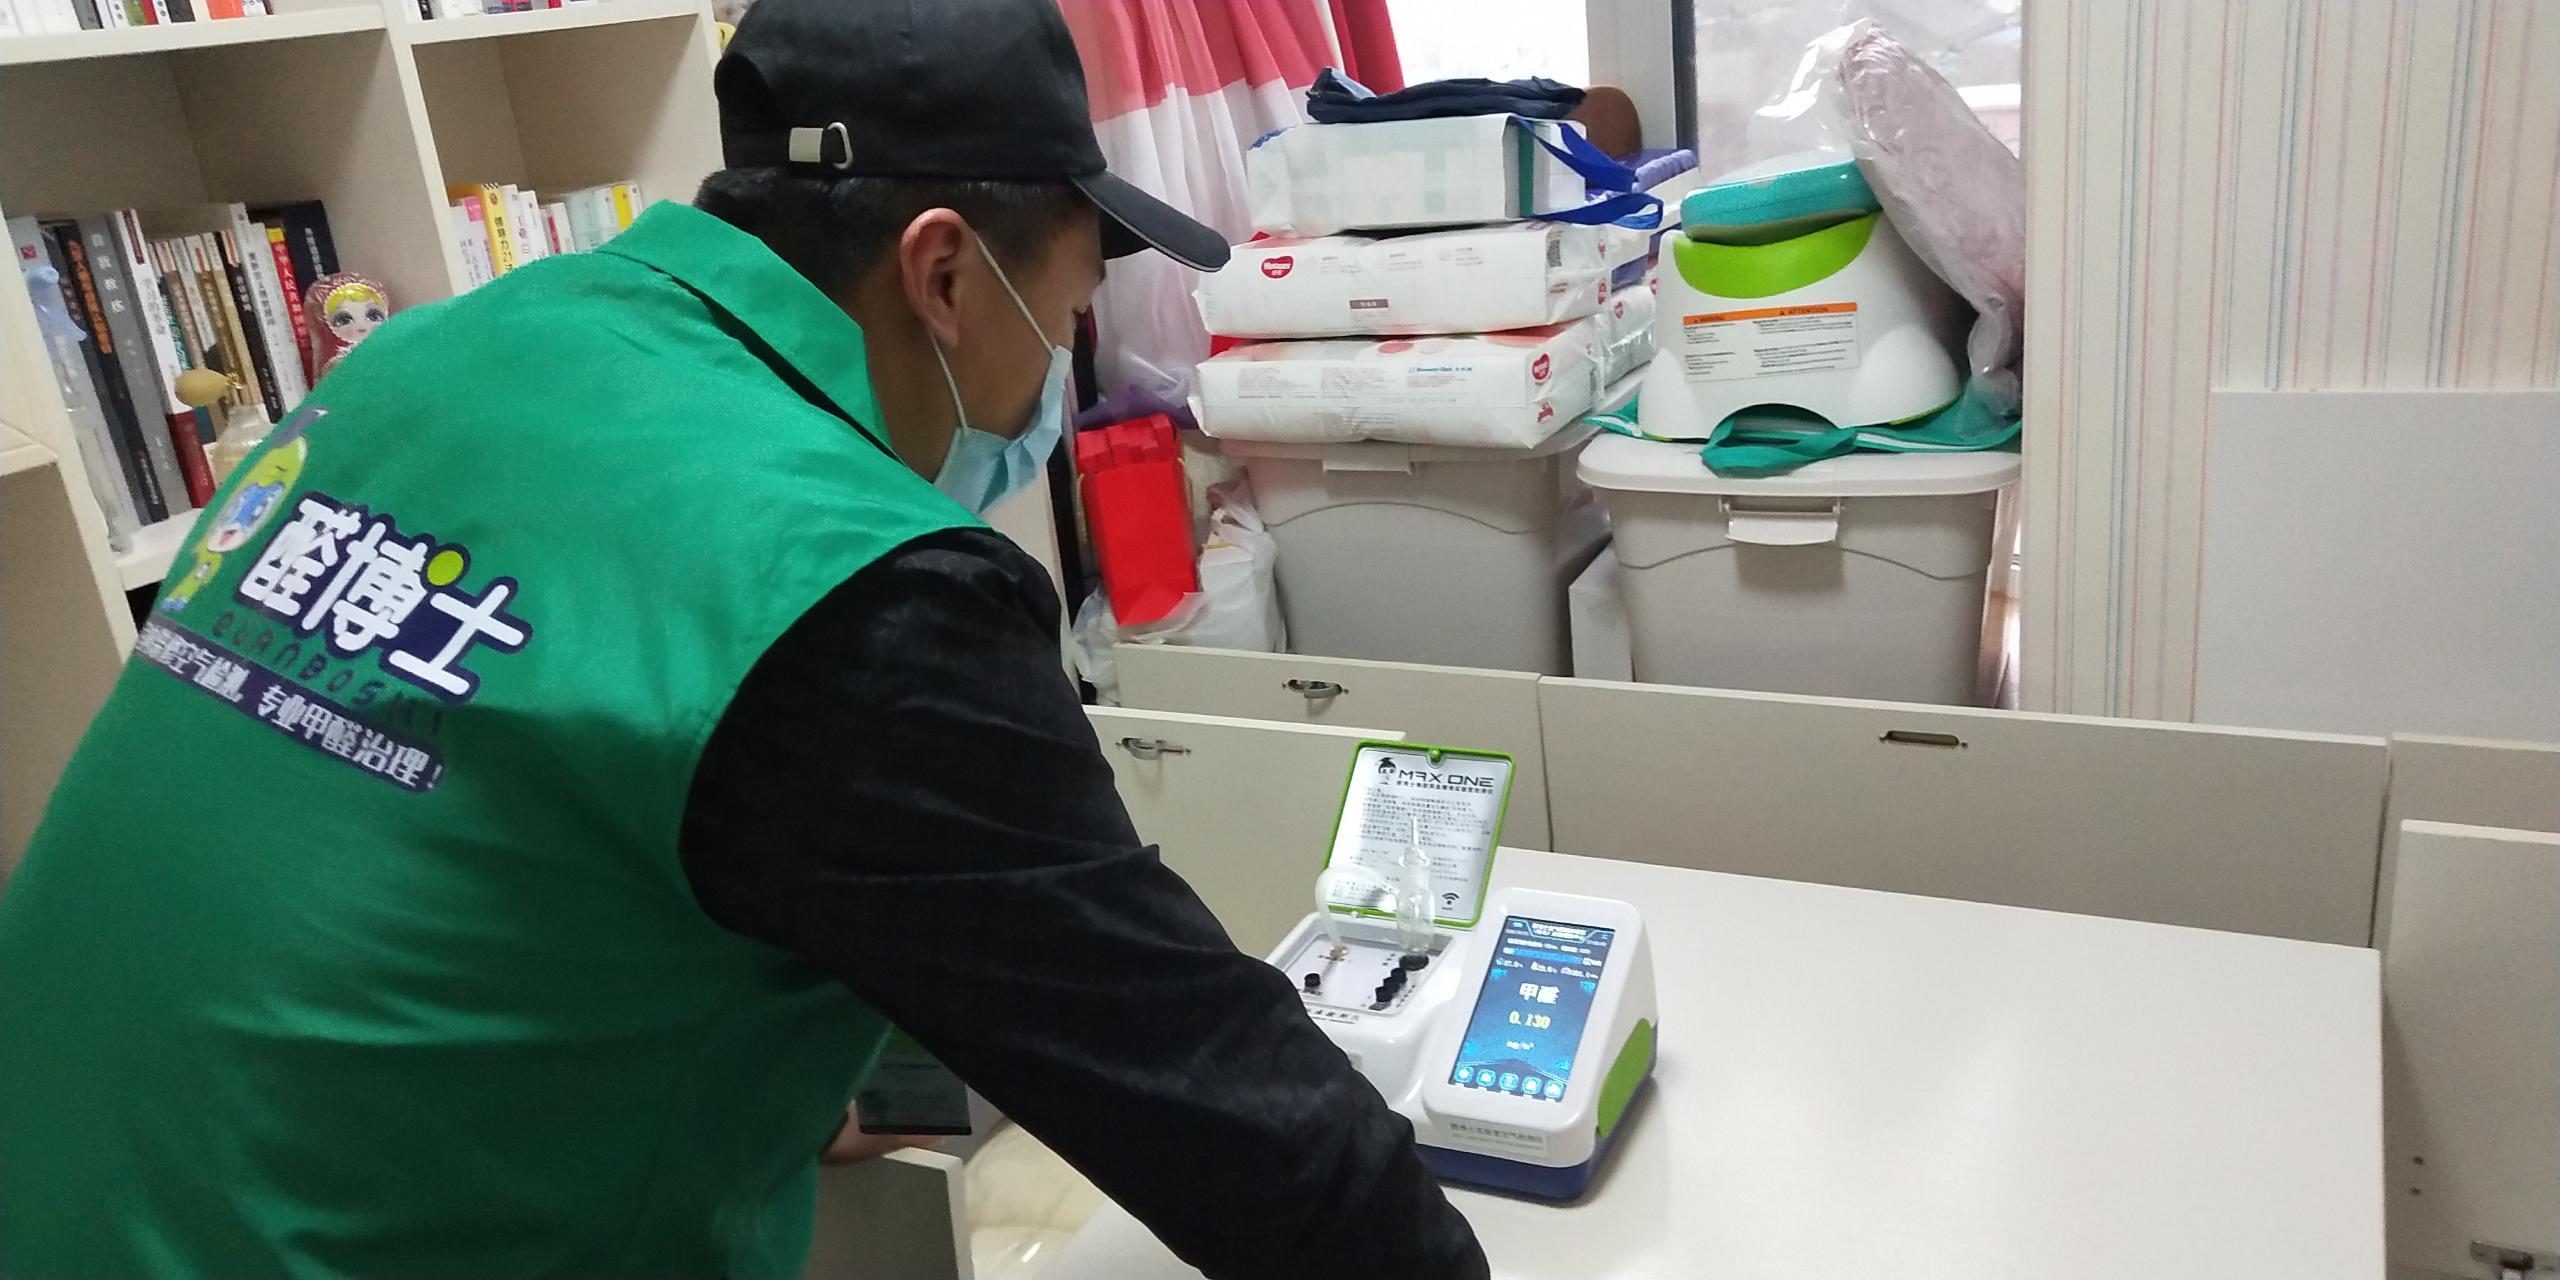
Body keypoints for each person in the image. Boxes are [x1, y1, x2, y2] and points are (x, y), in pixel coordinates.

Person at [0, 1, 1490, 1276]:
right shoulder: (852, 588)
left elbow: (476, 845)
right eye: (1070, 308)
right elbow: (1225, 1108)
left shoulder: (428, 356)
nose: (1062, 363)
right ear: (945, 275)